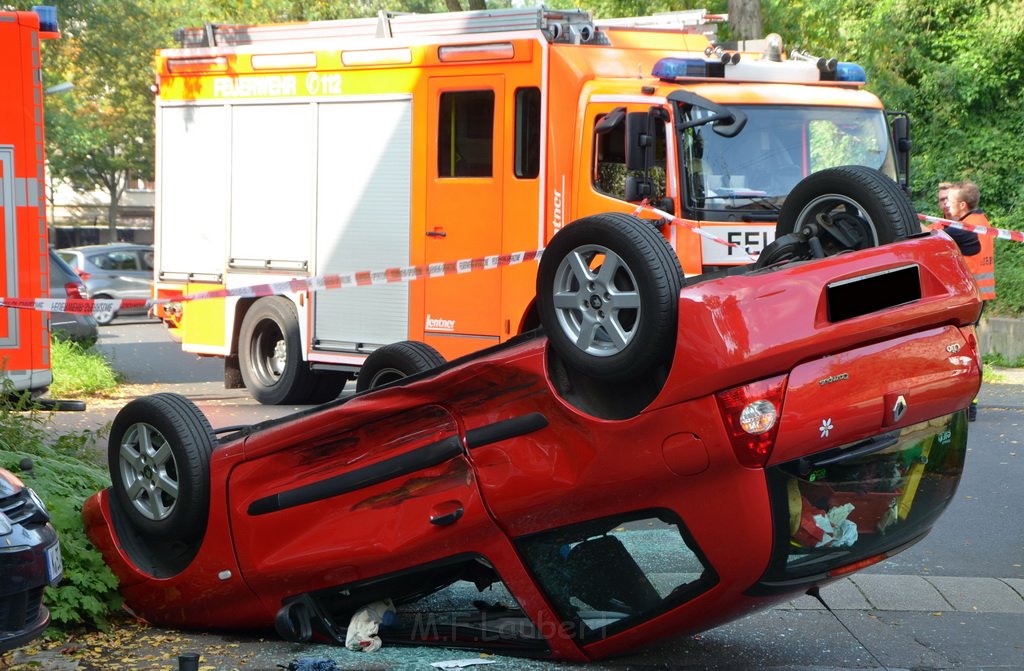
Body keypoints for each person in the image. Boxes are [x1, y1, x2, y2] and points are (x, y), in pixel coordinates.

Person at [946, 181, 996, 422]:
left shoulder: (965, 228)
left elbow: (932, 232)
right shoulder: (980, 221)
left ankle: (969, 403)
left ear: (963, 205)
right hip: (979, 295)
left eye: (950, 201)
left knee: (966, 347)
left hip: (970, 297)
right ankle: (968, 403)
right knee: (970, 345)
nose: (945, 205)